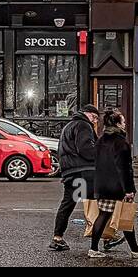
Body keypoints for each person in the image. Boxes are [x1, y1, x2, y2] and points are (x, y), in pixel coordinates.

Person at [87, 109, 138, 259]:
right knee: (125, 217)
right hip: (117, 187)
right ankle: (136, 250)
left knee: (103, 215)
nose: (124, 123)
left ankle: (93, 249)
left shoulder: (100, 140)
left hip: (102, 185)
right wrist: (129, 190)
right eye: (122, 121)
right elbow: (124, 169)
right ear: (117, 124)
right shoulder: (121, 143)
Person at [50, 104, 100, 251]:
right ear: (87, 114)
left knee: (68, 203)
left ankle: (57, 237)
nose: (95, 121)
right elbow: (85, 149)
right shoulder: (83, 125)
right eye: (94, 117)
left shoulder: (69, 125)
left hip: (70, 171)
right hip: (83, 171)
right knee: (105, 198)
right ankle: (109, 235)